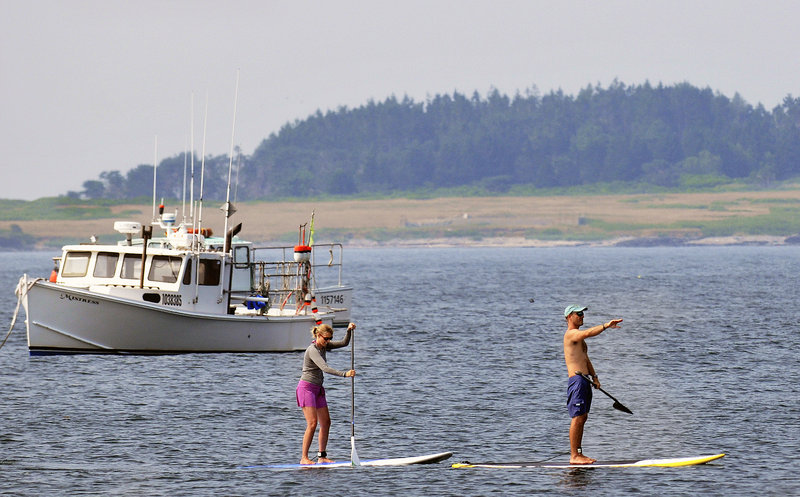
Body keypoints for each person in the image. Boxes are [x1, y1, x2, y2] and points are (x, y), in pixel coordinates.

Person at [562, 304, 623, 464]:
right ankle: (574, 456)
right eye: (579, 314)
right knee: (577, 417)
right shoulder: (571, 335)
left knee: (583, 417)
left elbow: (585, 358)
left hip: (585, 380)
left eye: (583, 314)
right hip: (577, 380)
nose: (582, 316)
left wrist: (595, 377)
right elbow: (588, 333)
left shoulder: (579, 340)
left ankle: (579, 454)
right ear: (570, 317)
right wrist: (606, 326)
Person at [296, 322, 356, 465]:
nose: (328, 342)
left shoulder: (324, 345)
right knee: (312, 423)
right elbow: (324, 367)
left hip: (318, 389)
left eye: (330, 339)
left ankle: (322, 456)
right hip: (306, 389)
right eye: (326, 339)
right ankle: (304, 458)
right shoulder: (313, 350)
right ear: (318, 335)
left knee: (326, 422)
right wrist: (344, 374)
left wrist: (349, 331)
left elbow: (344, 343)